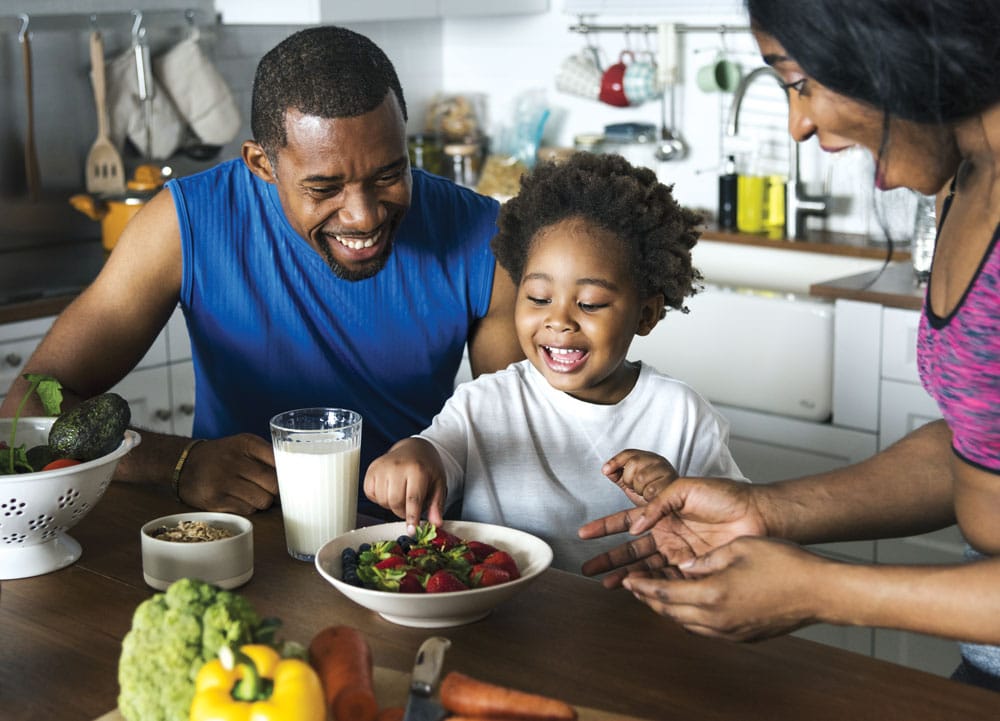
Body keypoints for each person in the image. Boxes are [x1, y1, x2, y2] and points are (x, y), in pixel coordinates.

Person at [578, 0, 1000, 691]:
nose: (799, 124)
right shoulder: (968, 181)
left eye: (799, 81)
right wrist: (764, 512)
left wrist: (823, 591)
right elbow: (977, 445)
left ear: (888, 41)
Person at [0, 26, 521, 516]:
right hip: (249, 537)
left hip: (410, 548)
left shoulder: (484, 236)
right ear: (261, 164)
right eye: (324, 188)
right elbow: (26, 405)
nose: (363, 215)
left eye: (389, 174)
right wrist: (178, 463)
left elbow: (519, 434)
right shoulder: (185, 224)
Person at [363, 152, 746, 572]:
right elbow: (437, 452)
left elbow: (737, 535)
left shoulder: (683, 417)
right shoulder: (486, 402)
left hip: (634, 623)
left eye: (590, 303)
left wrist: (676, 494)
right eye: (539, 299)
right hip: (504, 619)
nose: (559, 320)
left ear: (646, 315)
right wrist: (412, 455)